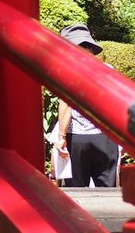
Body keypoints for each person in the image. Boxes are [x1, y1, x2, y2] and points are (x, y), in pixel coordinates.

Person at [55, 23, 120, 187]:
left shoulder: (68, 72)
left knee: (76, 196)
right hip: (106, 138)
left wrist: (62, 137)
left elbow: (66, 104)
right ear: (91, 47)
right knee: (108, 194)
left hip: (77, 139)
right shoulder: (108, 70)